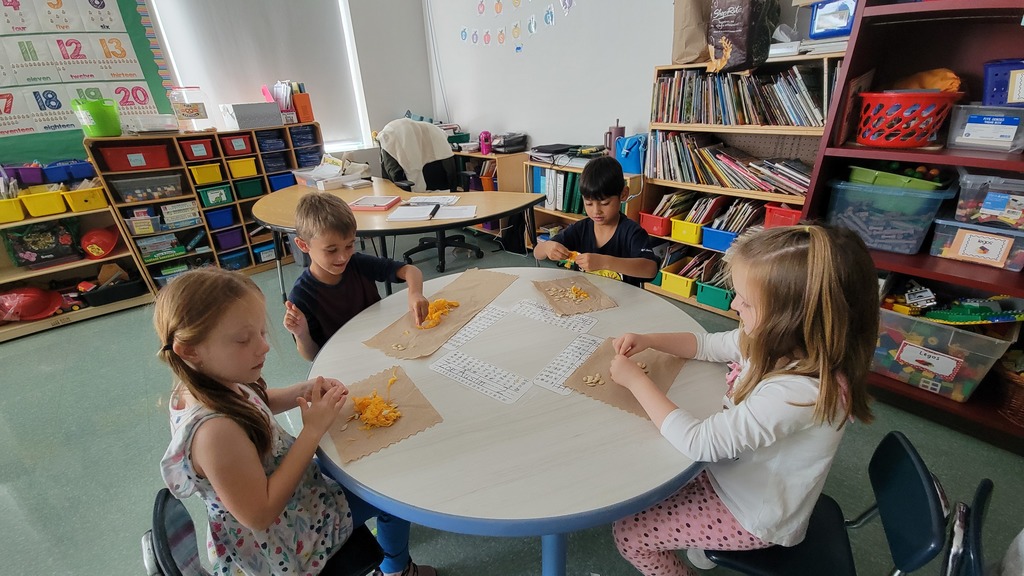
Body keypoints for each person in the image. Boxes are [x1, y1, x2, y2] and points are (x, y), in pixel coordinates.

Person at [607, 225, 877, 576]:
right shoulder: (774, 339)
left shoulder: (798, 393)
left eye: (746, 302)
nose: (734, 305)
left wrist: (635, 380)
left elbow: (700, 443)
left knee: (629, 533)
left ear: (790, 319)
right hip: (734, 472)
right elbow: (708, 345)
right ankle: (704, 544)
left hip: (751, 514)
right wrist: (649, 339)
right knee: (650, 471)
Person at [157, 268, 436, 576]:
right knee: (390, 493)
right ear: (190, 350)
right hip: (285, 539)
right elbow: (260, 514)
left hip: (295, 498)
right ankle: (398, 570)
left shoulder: (207, 380)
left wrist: (302, 390)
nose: (263, 346)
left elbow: (255, 402)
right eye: (243, 340)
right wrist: (312, 431)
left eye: (262, 333)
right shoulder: (215, 434)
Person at [284, 191, 430, 361]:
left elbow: (410, 270)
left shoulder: (357, 264)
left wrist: (415, 293)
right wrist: (301, 334)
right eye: (331, 250)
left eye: (349, 245)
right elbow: (312, 356)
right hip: (345, 359)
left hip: (383, 345)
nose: (343, 257)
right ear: (303, 245)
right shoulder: (302, 296)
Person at [533, 156, 659, 286]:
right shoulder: (580, 229)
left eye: (605, 203)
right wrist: (547, 247)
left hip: (623, 297)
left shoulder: (632, 232)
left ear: (623, 194)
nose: (596, 211)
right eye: (588, 203)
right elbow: (537, 253)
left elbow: (650, 269)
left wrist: (605, 262)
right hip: (585, 294)